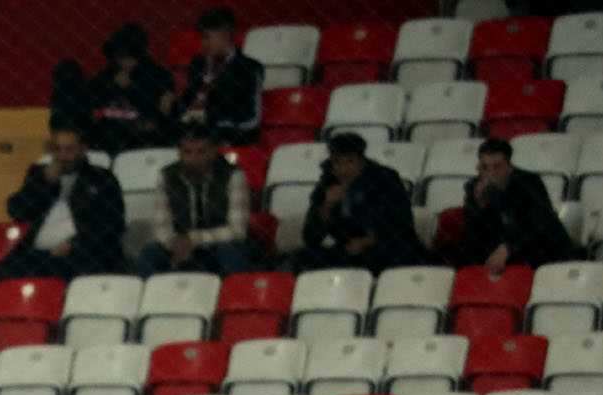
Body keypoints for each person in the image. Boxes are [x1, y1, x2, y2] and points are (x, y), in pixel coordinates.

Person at [0, 123, 128, 280]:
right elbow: (17, 211)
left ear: (83, 149)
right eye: (57, 150)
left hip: (82, 253)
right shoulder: (39, 174)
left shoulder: (102, 179)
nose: (62, 156)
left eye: (69, 150)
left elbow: (113, 225)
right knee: (3, 271)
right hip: (41, 254)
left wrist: (75, 244)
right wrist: (45, 184)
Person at [292, 133, 426, 274]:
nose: (343, 170)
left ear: (362, 161)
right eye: (337, 162)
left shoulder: (385, 179)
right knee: (305, 257)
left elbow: (402, 225)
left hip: (386, 246)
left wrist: (367, 241)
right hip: (348, 250)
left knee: (403, 254)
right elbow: (310, 238)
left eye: (350, 162)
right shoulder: (328, 182)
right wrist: (327, 205)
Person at [137, 121, 251, 279]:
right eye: (187, 152)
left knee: (232, 251)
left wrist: (194, 238)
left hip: (217, 244)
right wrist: (175, 243)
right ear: (180, 154)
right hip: (179, 245)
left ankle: (233, 300)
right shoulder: (167, 176)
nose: (194, 159)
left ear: (212, 152)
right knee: (150, 253)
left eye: (201, 152)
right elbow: (162, 228)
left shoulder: (232, 175)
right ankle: (151, 301)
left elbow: (238, 230)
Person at [53, 23, 176, 158]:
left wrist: (131, 89)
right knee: (68, 69)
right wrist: (113, 88)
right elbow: (87, 106)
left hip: (142, 141)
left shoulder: (157, 76)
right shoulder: (106, 76)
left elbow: (161, 116)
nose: (124, 62)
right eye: (120, 56)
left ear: (140, 56)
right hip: (102, 139)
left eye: (129, 56)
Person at [457, 139, 577, 273]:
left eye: (497, 167)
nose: (490, 174)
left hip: (543, 254)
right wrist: (481, 206)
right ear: (478, 168)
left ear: (510, 167)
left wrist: (507, 247)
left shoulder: (529, 183)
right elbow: (474, 237)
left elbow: (537, 224)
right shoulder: (474, 189)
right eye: (485, 167)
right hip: (502, 259)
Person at [174, 7, 262, 145]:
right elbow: (188, 98)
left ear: (226, 35)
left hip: (225, 131)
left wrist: (208, 118)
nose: (204, 43)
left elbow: (250, 118)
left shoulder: (249, 68)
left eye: (208, 37)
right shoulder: (198, 64)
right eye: (203, 37)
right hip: (191, 127)